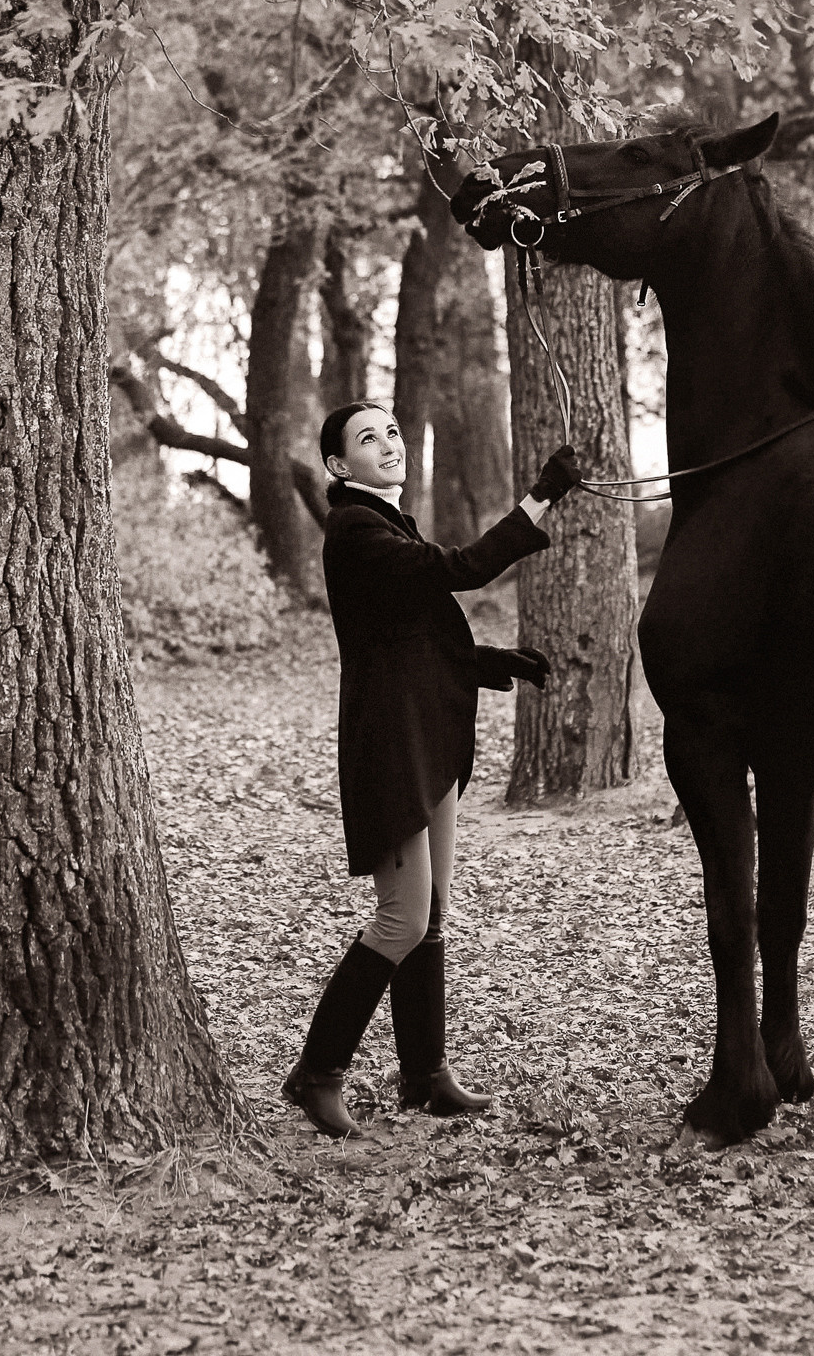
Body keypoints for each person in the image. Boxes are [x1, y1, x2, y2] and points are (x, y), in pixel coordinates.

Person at [282, 400, 585, 1137]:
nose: (386, 444)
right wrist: (539, 497)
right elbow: (461, 570)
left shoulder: (385, 523)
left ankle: (425, 1076)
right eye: (366, 438)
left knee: (433, 917)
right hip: (390, 748)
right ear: (336, 466)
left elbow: (406, 637)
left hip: (425, 739)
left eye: (390, 431)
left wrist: (487, 663)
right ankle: (316, 1074)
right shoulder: (354, 528)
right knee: (403, 916)